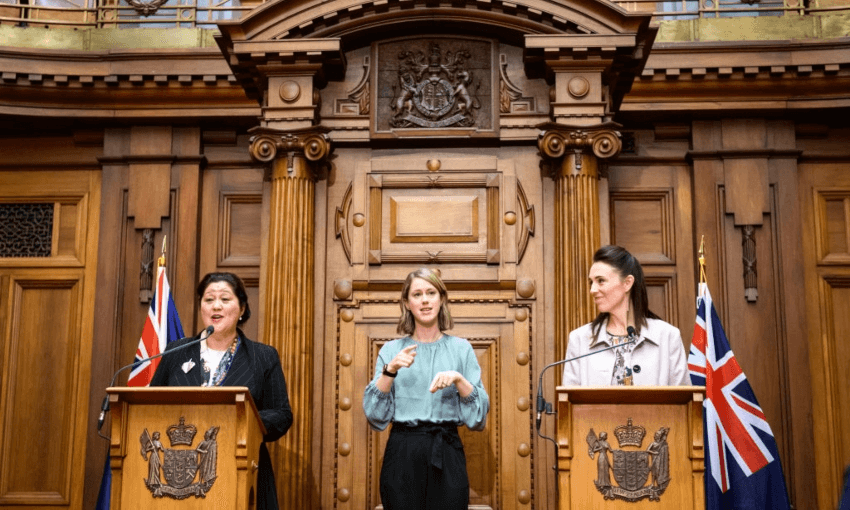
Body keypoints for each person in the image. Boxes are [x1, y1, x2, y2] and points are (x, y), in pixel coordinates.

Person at [150, 272, 292, 509]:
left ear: (242, 309)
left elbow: (282, 415)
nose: (216, 306)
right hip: (179, 473)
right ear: (201, 308)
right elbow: (151, 404)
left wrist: (240, 417)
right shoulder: (176, 352)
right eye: (209, 300)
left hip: (240, 467)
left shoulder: (263, 356)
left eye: (225, 299)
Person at [363, 268, 489, 510]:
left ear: (441, 299)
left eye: (431, 292)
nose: (424, 300)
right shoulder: (391, 351)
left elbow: (477, 418)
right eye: (417, 294)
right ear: (407, 303)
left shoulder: (461, 349)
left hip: (447, 449)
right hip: (403, 451)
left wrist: (458, 379)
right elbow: (375, 416)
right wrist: (390, 370)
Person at [562, 245, 689, 386]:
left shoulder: (668, 337)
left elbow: (685, 404)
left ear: (627, 283)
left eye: (601, 281)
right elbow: (570, 403)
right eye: (591, 282)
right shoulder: (579, 340)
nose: (592, 289)